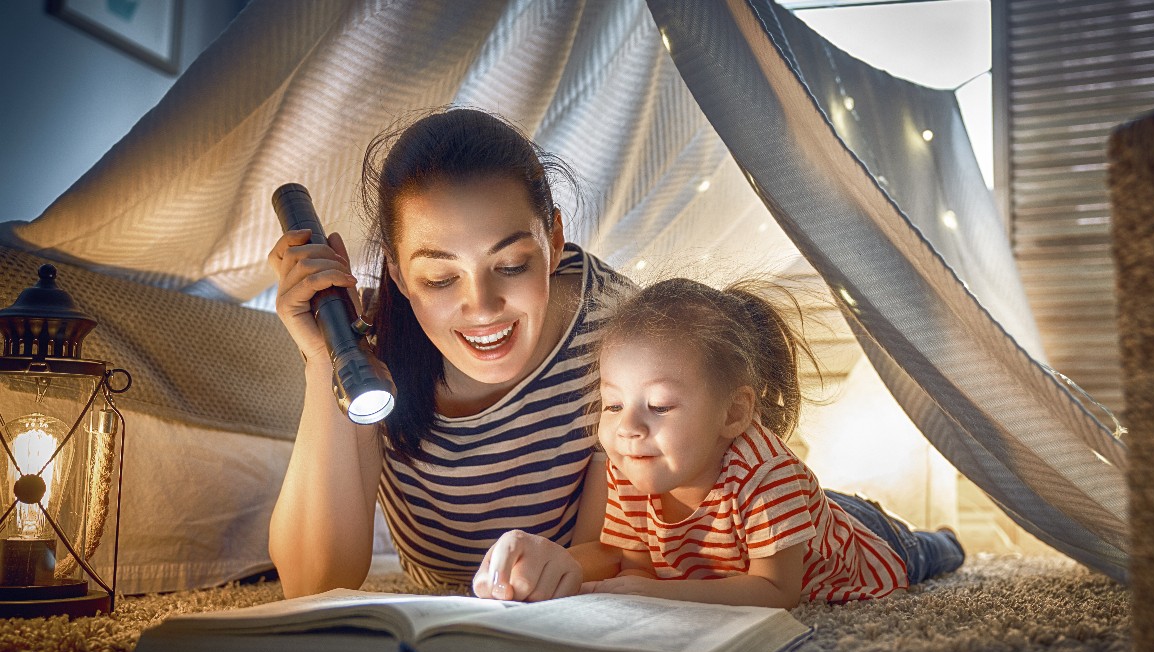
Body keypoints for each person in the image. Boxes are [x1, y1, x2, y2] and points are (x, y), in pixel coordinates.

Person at [267, 107, 633, 599]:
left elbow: (620, 553)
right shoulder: (371, 347)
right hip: (437, 616)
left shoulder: (618, 331)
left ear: (554, 239)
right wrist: (322, 357)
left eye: (511, 265)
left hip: (562, 607)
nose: (481, 308)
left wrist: (568, 567)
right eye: (440, 278)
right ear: (397, 275)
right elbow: (314, 583)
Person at [478, 277, 964, 607]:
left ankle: (945, 538)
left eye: (660, 406)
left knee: (926, 554)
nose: (628, 427)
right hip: (787, 518)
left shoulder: (769, 476)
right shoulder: (631, 462)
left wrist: (659, 596)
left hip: (861, 537)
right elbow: (635, 566)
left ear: (732, 412)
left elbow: (777, 592)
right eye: (612, 403)